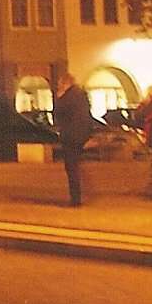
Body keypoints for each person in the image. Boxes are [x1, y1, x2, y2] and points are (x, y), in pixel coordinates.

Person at [54, 73, 93, 207]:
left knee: (71, 167)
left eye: (60, 84)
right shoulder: (81, 96)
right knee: (75, 165)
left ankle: (75, 199)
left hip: (70, 135)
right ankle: (76, 197)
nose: (58, 86)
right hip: (81, 134)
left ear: (65, 83)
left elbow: (58, 113)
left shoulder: (67, 97)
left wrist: (59, 98)